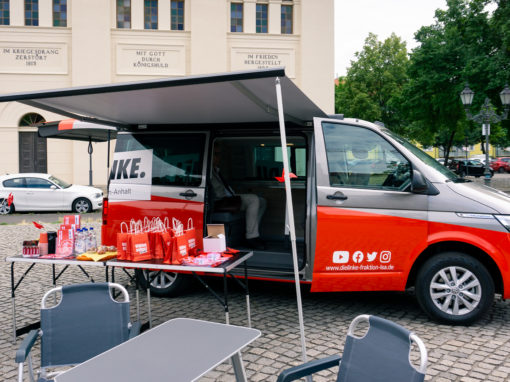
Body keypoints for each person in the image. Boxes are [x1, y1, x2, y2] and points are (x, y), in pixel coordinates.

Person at [211, 146, 267, 250]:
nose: (219, 157)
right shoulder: (209, 172)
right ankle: (251, 237)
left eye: (219, 154)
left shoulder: (216, 170)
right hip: (220, 201)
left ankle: (253, 233)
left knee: (262, 201)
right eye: (216, 154)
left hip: (228, 198)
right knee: (253, 199)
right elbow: (218, 193)